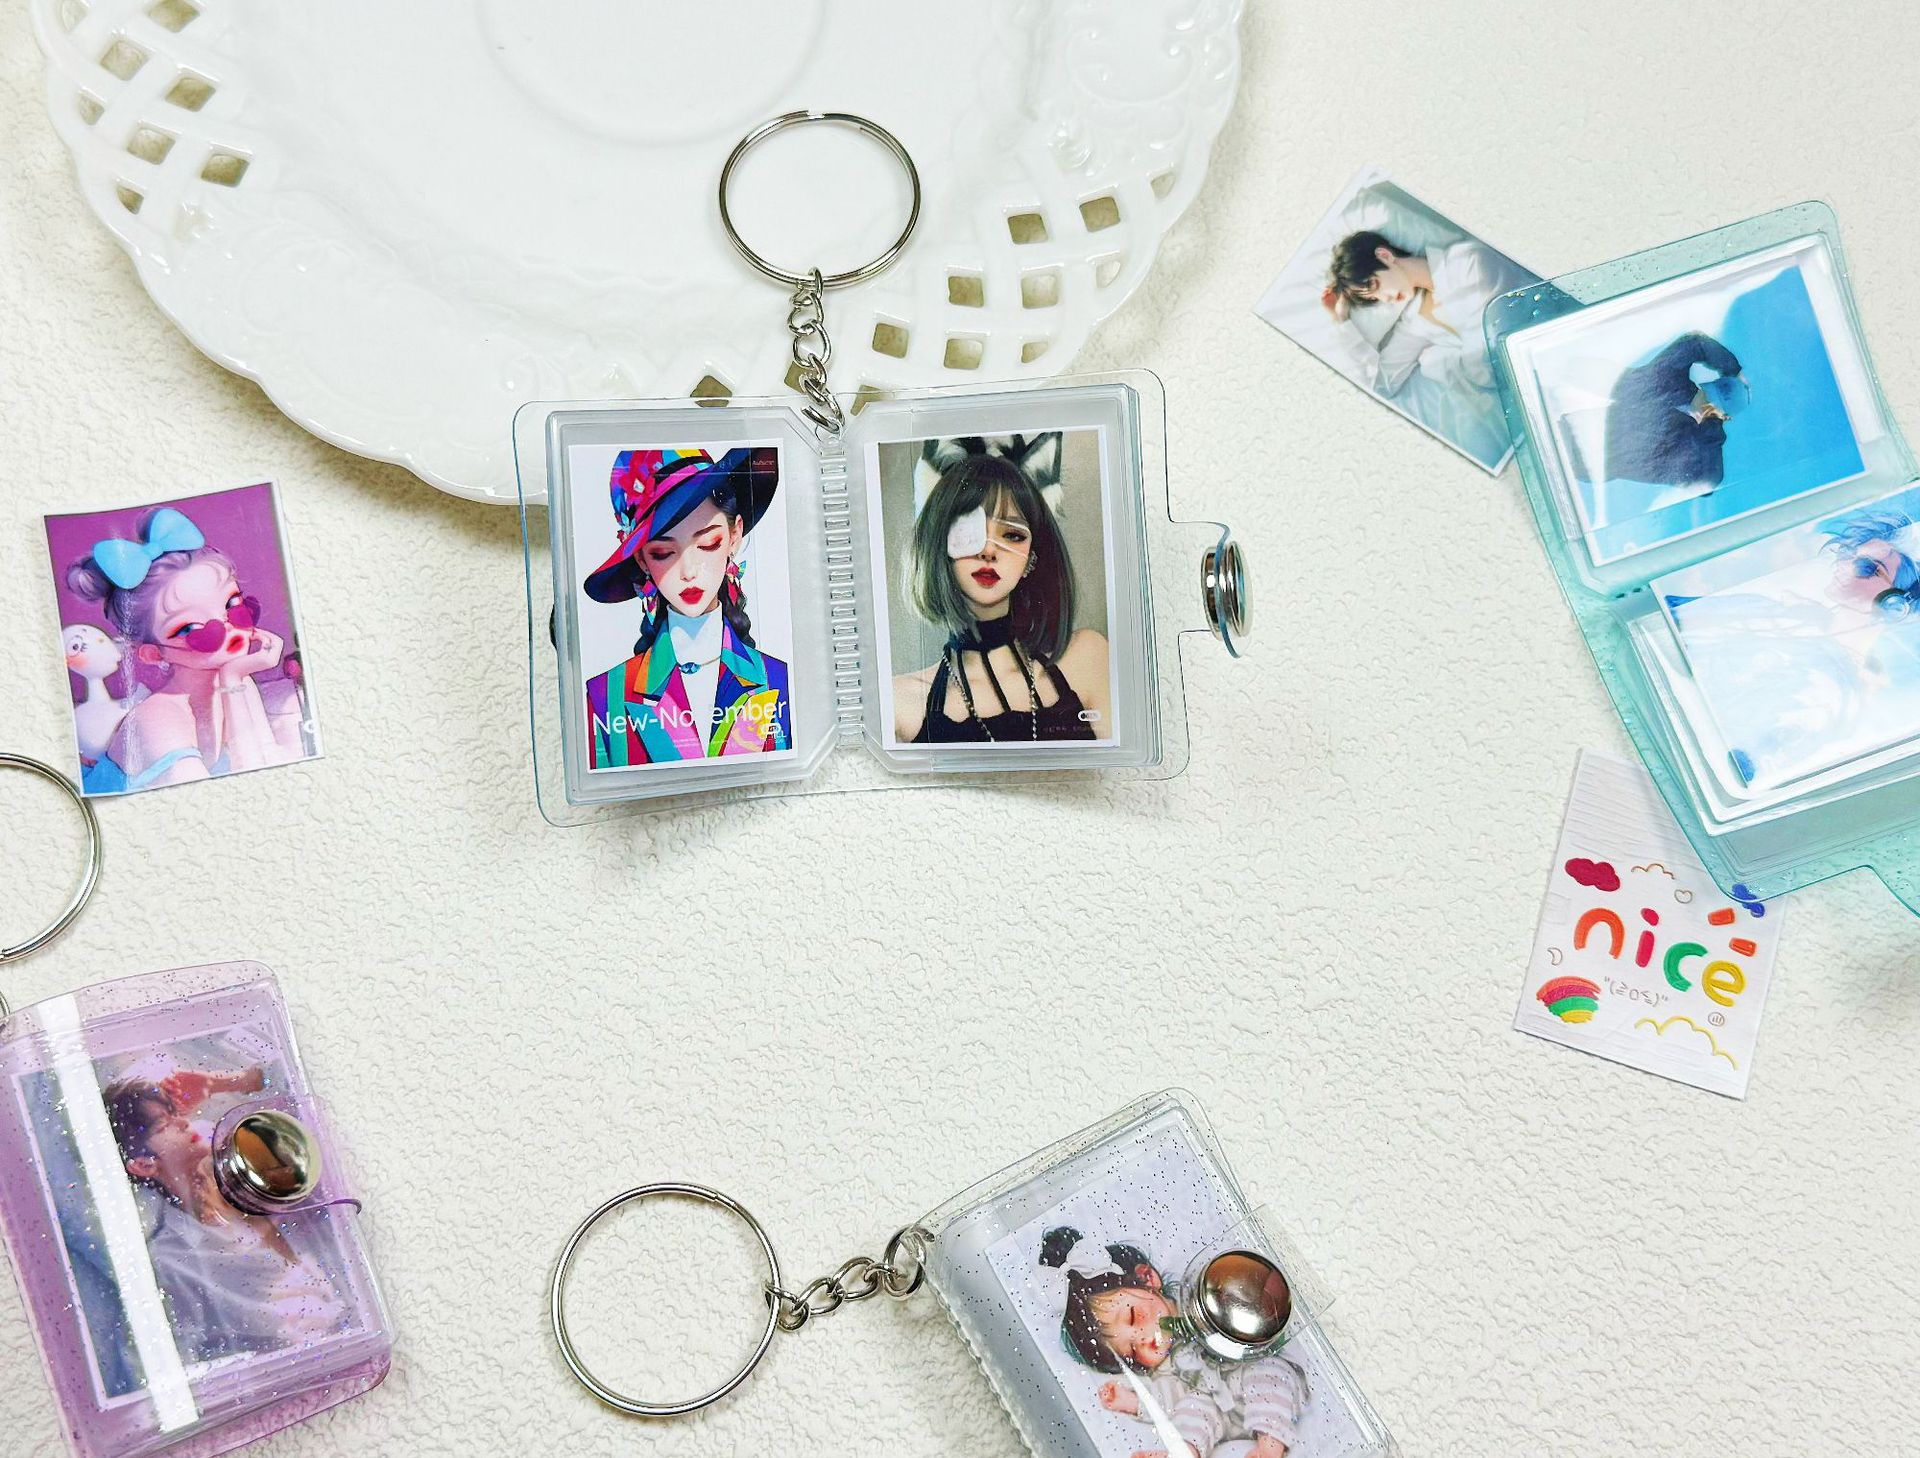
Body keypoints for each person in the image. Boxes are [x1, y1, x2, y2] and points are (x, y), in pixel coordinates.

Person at [104, 1068, 346, 1365]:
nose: (182, 1122)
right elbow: (174, 1352)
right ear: (143, 1164)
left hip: (340, 1292)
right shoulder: (171, 1256)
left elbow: (300, 1105)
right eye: (165, 1124)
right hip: (309, 1349)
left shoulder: (238, 1162)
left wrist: (221, 1084)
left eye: (175, 1113)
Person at [66, 508, 307, 793]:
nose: (229, 628)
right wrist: (232, 679)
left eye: (232, 604)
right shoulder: (156, 721)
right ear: (153, 653)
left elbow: (265, 764)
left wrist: (232, 678)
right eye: (191, 628)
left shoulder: (234, 679)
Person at [892, 437, 1109, 743]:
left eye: (1012, 535)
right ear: (938, 545)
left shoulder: (1087, 658)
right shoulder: (899, 702)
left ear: (1032, 558)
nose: (989, 550)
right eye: (968, 529)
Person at [582, 447, 790, 766]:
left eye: (708, 544)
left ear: (734, 535)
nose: (689, 571)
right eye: (663, 553)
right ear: (642, 559)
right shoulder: (605, 696)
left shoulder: (780, 680)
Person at [1038, 1227, 1309, 1458]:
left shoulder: (1195, 1301)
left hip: (1257, 1380)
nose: (1144, 1338)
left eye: (1133, 1317)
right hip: (1219, 1415)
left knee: (1267, 1372)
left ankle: (1270, 1445)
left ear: (1148, 1278)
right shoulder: (1168, 1368)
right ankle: (1184, 1451)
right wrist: (1134, 1402)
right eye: (1132, 1352)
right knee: (1192, 1406)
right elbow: (1167, 1398)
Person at [1599, 333, 1749, 490]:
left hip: (1593, 464)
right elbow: (1695, 343)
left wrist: (1710, 426)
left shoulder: (1697, 448)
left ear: (1724, 418)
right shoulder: (1668, 380)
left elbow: (1708, 482)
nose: (1707, 407)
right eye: (1708, 397)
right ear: (1704, 387)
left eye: (1714, 409)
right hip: (1588, 421)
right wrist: (1734, 369)